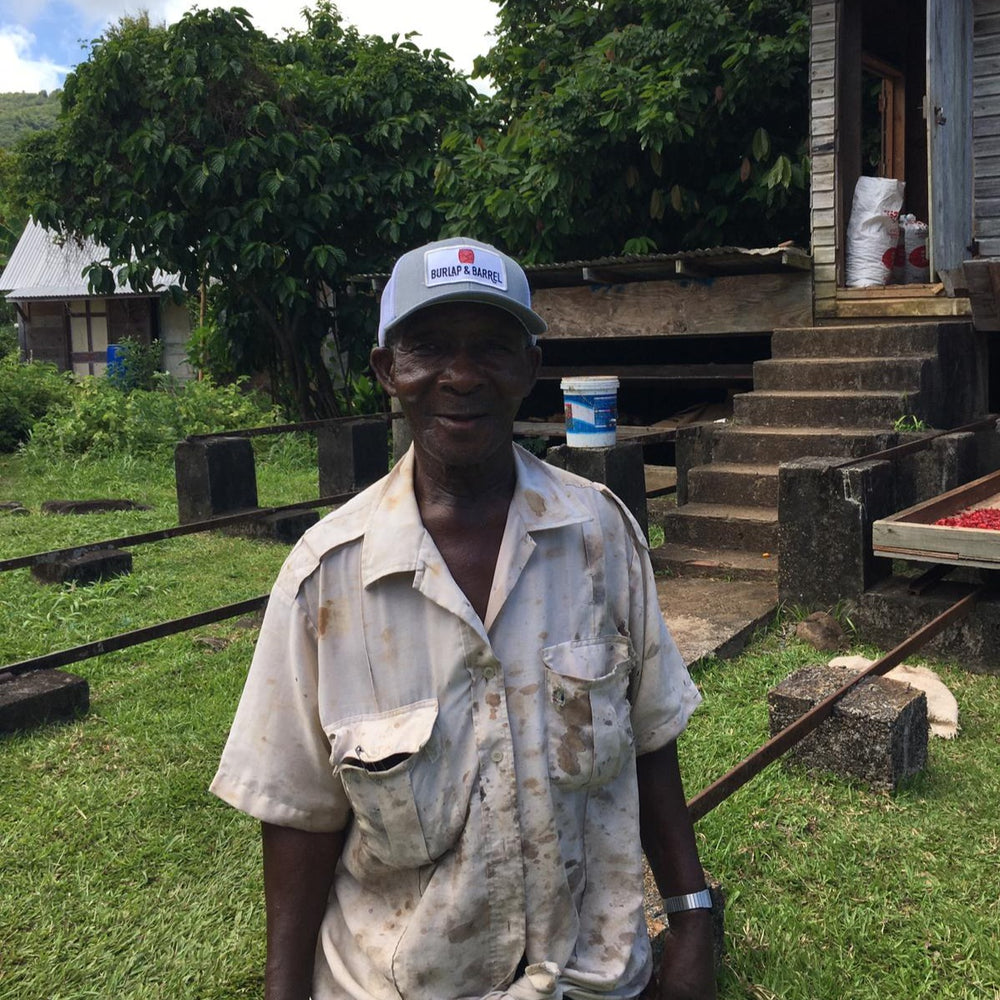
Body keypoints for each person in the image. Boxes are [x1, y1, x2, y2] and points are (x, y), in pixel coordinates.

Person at [210, 237, 717, 1000]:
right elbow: (298, 817)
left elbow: (650, 742)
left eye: (492, 348)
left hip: (586, 977)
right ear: (388, 372)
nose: (462, 376)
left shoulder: (600, 536)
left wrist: (692, 921)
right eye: (429, 348)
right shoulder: (326, 580)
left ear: (529, 368)